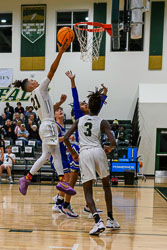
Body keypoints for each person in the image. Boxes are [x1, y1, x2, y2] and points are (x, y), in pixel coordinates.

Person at [13, 42, 76, 197]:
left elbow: (48, 109)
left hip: (46, 124)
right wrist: (60, 52)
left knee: (47, 156)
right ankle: (60, 180)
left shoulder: (36, 95)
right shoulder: (39, 89)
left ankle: (27, 178)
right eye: (33, 81)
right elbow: (52, 70)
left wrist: (60, 103)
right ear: (30, 86)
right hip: (48, 125)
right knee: (55, 155)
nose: (36, 81)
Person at [64, 88, 120, 235]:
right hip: (98, 151)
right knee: (106, 186)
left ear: (88, 106)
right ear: (99, 107)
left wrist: (73, 153)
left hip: (85, 153)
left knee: (88, 190)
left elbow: (65, 138)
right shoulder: (103, 121)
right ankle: (110, 218)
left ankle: (97, 221)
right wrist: (109, 149)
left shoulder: (79, 120)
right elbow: (113, 141)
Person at [65, 70, 108, 214]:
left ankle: (86, 205)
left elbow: (98, 105)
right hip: (79, 148)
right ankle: (65, 204)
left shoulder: (93, 116)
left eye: (86, 103)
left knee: (87, 178)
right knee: (74, 177)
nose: (84, 103)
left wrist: (105, 93)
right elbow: (75, 96)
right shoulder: (78, 114)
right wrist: (72, 80)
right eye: (83, 104)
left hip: (87, 150)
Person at [52, 105, 78, 218]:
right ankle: (60, 203)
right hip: (57, 157)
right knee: (66, 181)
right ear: (54, 115)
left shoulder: (63, 126)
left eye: (61, 110)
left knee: (69, 180)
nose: (60, 111)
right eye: (57, 110)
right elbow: (53, 140)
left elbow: (62, 141)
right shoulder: (56, 126)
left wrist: (67, 142)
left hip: (64, 155)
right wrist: (66, 137)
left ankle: (59, 199)